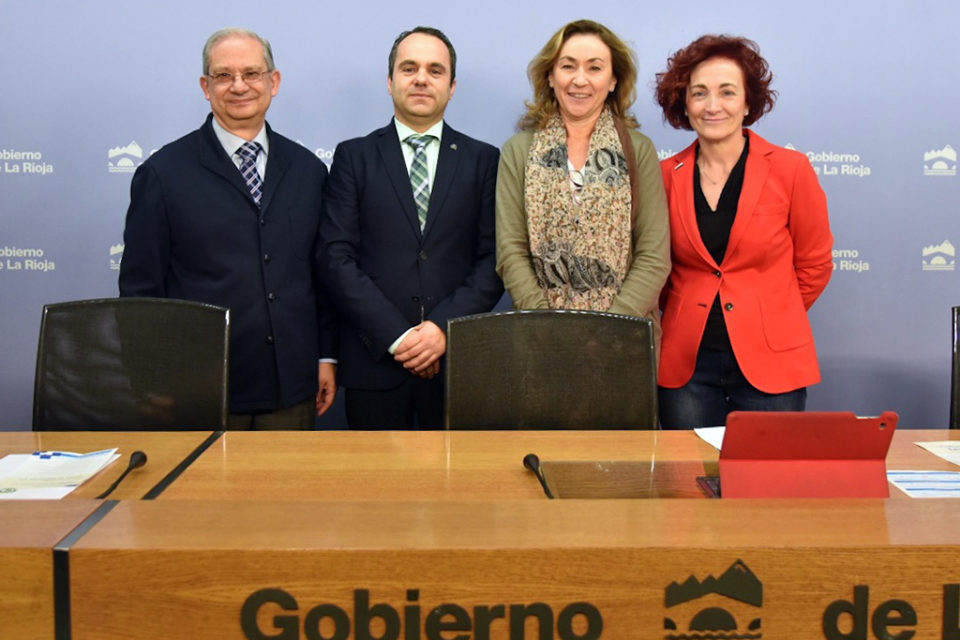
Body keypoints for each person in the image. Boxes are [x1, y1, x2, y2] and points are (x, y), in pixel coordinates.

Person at [119, 28, 337, 429]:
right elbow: (140, 292)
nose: (239, 86)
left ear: (274, 82)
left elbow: (320, 276)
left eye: (252, 74)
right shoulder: (163, 174)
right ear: (206, 86)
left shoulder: (309, 170)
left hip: (291, 386)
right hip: (200, 388)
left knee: (285, 492)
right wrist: (151, 380)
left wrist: (325, 356)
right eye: (224, 76)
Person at [320, 26, 502, 429]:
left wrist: (440, 330)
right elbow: (335, 258)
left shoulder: (484, 160)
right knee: (377, 489)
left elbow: (494, 260)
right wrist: (399, 338)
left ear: (452, 87)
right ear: (390, 82)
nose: (421, 78)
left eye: (435, 70)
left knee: (458, 487)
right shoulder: (354, 157)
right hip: (374, 363)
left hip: (455, 364)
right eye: (409, 68)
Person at [654, 35, 834, 429]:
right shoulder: (665, 176)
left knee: (767, 486)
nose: (713, 105)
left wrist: (769, 316)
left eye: (727, 92)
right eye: (699, 93)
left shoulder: (791, 169)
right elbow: (658, 270)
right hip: (687, 365)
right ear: (684, 104)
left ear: (748, 102)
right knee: (689, 485)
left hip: (772, 361)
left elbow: (815, 264)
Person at [495, 20, 670, 340]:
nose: (580, 80)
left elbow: (654, 255)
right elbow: (510, 251)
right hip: (542, 339)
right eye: (568, 66)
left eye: (595, 68)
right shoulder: (518, 151)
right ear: (550, 75)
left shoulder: (639, 149)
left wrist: (610, 326)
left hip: (623, 339)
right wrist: (546, 322)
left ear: (614, 79)